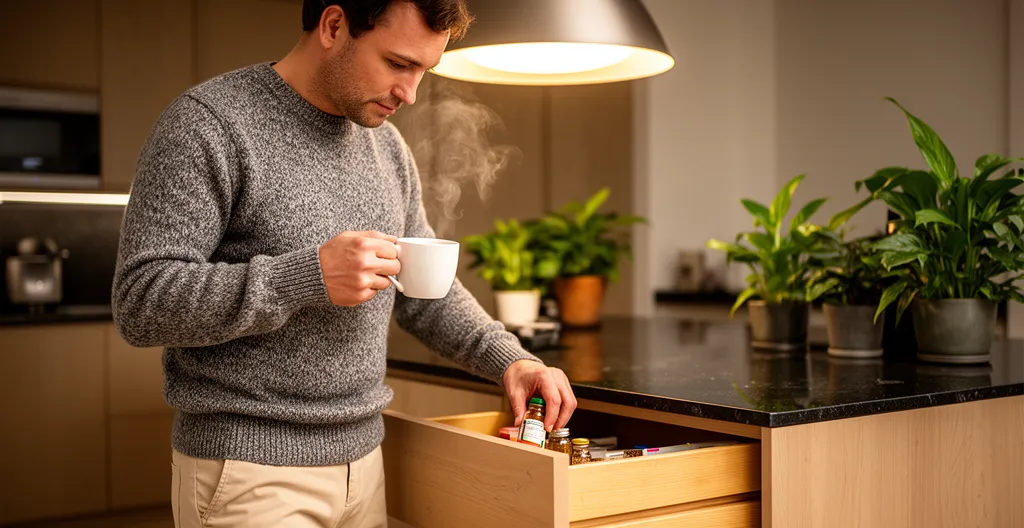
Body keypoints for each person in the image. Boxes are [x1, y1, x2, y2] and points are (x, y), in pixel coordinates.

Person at [111, 1, 578, 526]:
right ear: (334, 27)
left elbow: (426, 291)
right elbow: (141, 301)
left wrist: (511, 360)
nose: (411, 92)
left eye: (424, 70)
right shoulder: (209, 125)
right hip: (250, 474)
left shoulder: (388, 148)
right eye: (398, 63)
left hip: (365, 468)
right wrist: (305, 277)